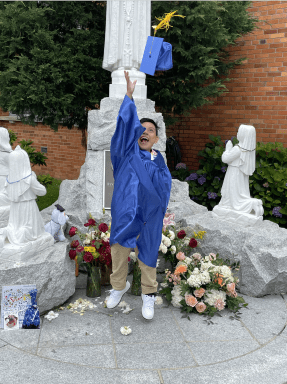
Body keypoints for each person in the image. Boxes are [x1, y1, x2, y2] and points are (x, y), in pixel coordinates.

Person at [107, 71, 172, 320]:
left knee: (147, 254)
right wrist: (129, 96)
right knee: (119, 251)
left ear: (156, 138)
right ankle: (117, 287)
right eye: (141, 129)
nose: (145, 132)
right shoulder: (125, 154)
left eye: (151, 130)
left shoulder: (160, 161)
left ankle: (148, 295)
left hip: (149, 215)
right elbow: (124, 126)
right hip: (125, 210)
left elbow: (163, 189)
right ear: (136, 134)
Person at [1, 145, 50, 246]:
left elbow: (6, 193)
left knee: (15, 226)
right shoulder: (29, 178)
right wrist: (35, 180)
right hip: (28, 207)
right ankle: (22, 235)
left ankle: (10, 233)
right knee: (28, 228)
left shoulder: (9, 179)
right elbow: (42, 191)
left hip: (15, 208)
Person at [214, 124, 263, 216]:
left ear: (243, 135)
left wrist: (227, 149)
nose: (237, 133)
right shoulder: (249, 150)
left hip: (234, 173)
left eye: (239, 132)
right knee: (239, 191)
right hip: (241, 175)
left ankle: (242, 204)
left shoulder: (238, 149)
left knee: (232, 191)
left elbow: (225, 159)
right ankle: (230, 204)